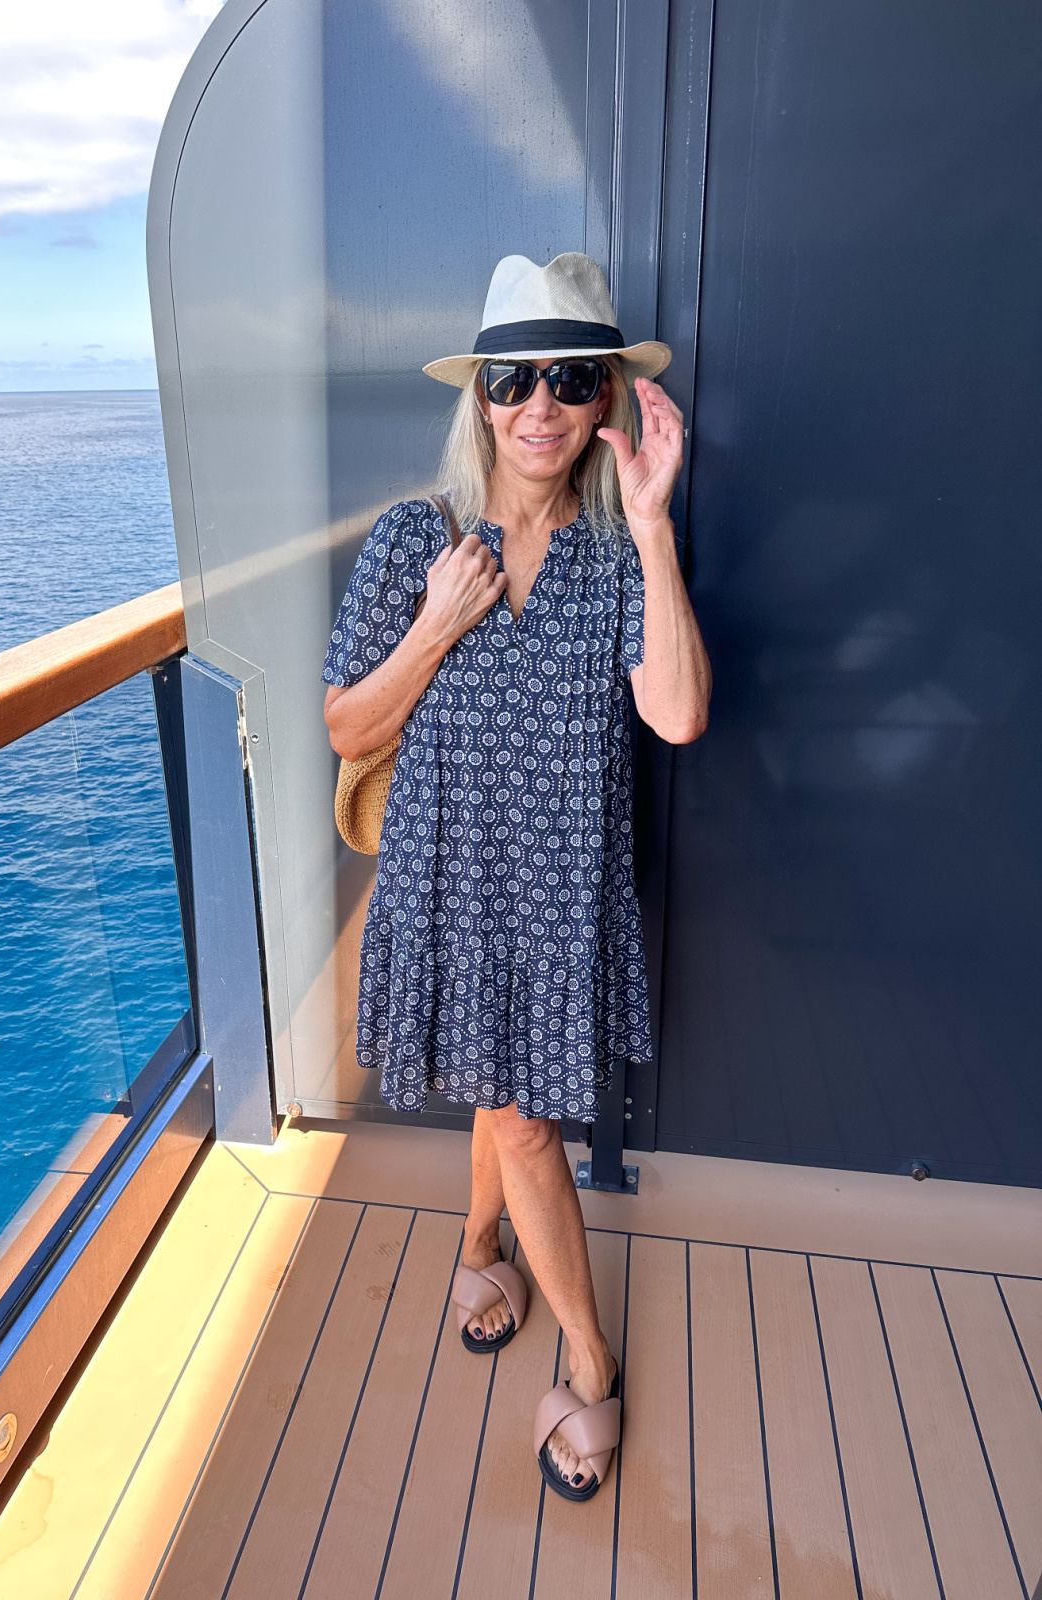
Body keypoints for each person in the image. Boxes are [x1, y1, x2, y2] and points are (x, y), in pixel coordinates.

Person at [322, 252, 710, 1502]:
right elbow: (344, 723)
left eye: (570, 378)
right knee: (524, 1115)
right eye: (512, 380)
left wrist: (653, 523)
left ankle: (479, 1240)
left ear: (604, 401)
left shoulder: (615, 558)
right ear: (479, 399)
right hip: (450, 885)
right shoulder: (416, 539)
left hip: (556, 900)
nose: (539, 404)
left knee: (508, 1107)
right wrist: (436, 623)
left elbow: (679, 715)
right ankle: (592, 1361)